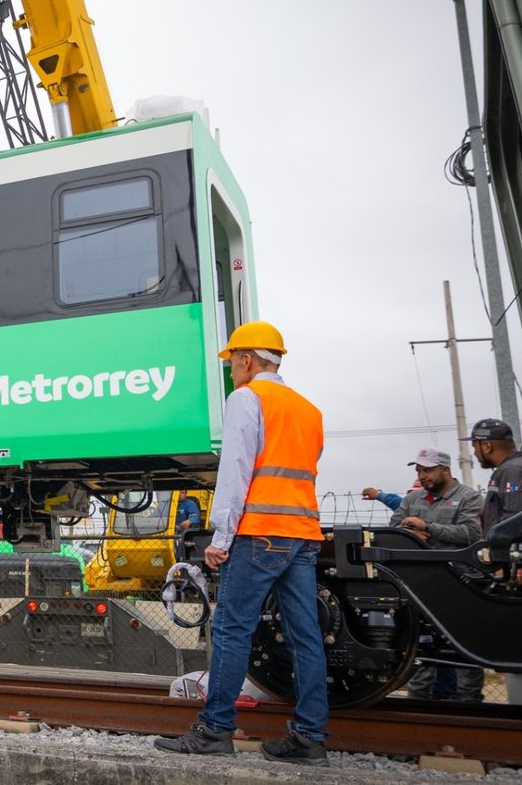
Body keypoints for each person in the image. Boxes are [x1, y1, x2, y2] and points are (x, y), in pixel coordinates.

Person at [154, 322, 329, 766]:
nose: (231, 371)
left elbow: (235, 470)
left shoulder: (247, 399)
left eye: (232, 362)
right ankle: (309, 738)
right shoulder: (309, 409)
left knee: (233, 629)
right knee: (306, 637)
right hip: (304, 536)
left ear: (248, 360)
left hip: (258, 536)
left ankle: (214, 729)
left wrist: (221, 537)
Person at [385, 447, 484, 702]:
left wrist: (429, 527)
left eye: (427, 470)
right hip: (420, 584)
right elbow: (394, 528)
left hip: (460, 582)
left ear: (445, 470)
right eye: (419, 470)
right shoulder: (413, 499)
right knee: (421, 644)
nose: (423, 475)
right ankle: (419, 704)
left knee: (464, 644)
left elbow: (472, 534)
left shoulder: (469, 498)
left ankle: (469, 704)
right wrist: (412, 535)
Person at [470, 418, 522, 706]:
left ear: (486, 444)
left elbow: (518, 524)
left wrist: (513, 567)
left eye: (475, 446)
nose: (475, 453)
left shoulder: (513, 470)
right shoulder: (519, 467)